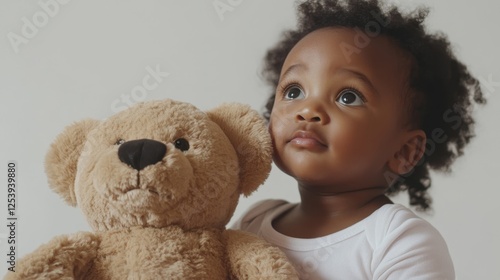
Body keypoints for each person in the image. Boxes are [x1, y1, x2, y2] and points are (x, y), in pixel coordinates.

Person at [231, 0, 486, 279]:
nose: (308, 110)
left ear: (404, 151)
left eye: (348, 97)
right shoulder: (255, 219)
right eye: (293, 92)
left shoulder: (398, 241)